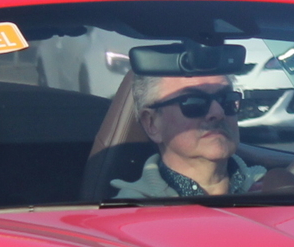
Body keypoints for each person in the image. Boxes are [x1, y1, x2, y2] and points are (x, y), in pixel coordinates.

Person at [110, 73, 257, 199]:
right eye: (193, 102)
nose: (218, 113)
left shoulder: (272, 189)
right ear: (152, 124)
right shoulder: (128, 215)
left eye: (227, 100)